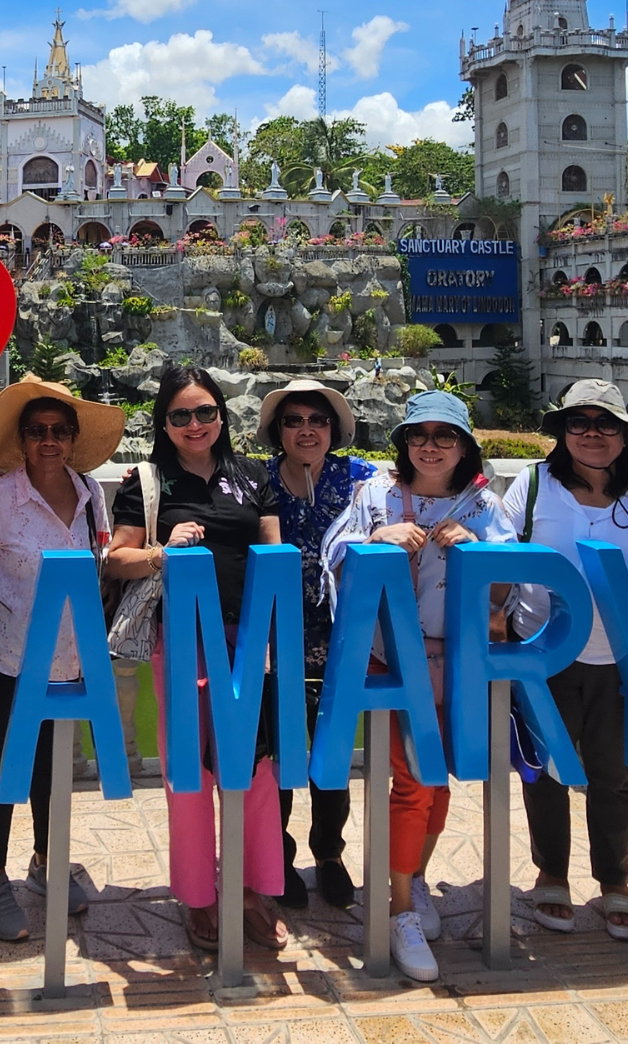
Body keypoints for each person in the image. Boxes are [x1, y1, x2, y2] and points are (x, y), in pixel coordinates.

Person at [105, 364, 289, 954]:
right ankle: (199, 895)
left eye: (205, 412)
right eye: (181, 415)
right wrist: (162, 551)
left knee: (258, 769)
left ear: (221, 416)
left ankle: (255, 889)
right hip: (182, 641)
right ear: (164, 422)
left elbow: (272, 549)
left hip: (248, 637)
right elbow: (116, 560)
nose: (195, 424)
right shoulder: (148, 482)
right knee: (191, 771)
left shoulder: (249, 476)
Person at [342, 391, 516, 982]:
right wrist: (378, 539)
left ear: (465, 444)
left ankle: (414, 877)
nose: (431, 446)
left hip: (463, 663)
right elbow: (333, 556)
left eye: (445, 435)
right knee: (412, 782)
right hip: (392, 662)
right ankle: (396, 910)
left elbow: (510, 588)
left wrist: (481, 552)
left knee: (438, 784)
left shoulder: (485, 506)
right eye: (420, 434)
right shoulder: (376, 495)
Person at [501, 379, 628, 942]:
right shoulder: (532, 488)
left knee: (613, 773)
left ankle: (614, 881)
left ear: (625, 435)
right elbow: (500, 569)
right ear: (562, 432)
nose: (592, 434)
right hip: (544, 651)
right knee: (546, 769)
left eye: (606, 424)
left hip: (620, 658)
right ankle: (552, 871)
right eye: (579, 423)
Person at [0, 377, 124, 942]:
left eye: (60, 431)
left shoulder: (90, 493)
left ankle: (44, 861)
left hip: (72, 657)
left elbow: (100, 561)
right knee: (5, 767)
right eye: (37, 432)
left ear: (74, 438)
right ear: (23, 439)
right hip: (12, 656)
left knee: (55, 768)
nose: (49, 441)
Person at [257, 379, 378, 909]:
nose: (307, 429)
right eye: (294, 420)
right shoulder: (256, 481)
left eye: (318, 420)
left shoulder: (362, 480)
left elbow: (410, 502)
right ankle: (277, 856)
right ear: (277, 430)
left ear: (334, 429)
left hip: (343, 638)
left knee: (331, 757)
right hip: (275, 640)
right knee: (280, 757)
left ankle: (328, 853)